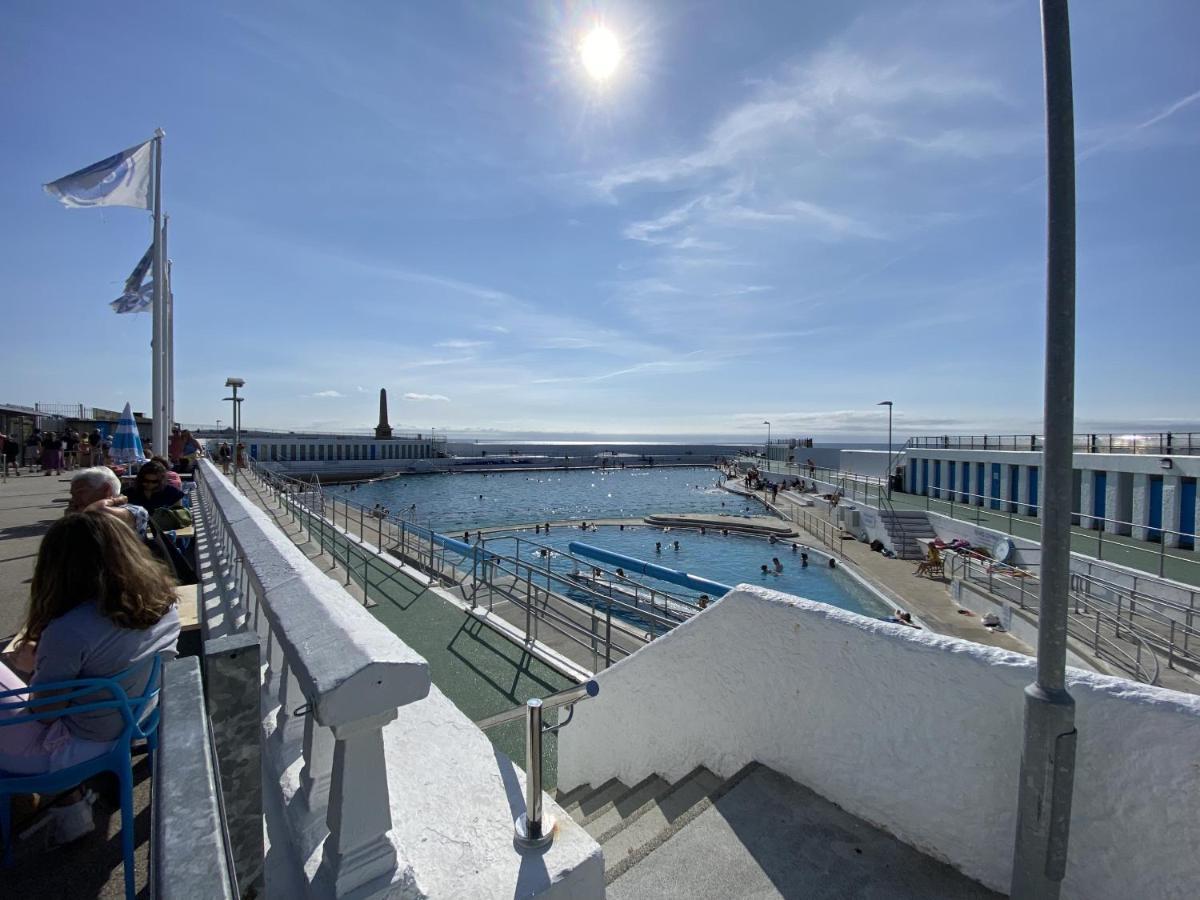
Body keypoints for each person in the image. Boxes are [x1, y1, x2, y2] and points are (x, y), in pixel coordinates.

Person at [0, 512, 180, 840]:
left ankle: (70, 803)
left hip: (79, 748)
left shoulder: (69, 630)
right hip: (134, 721)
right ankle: (71, 808)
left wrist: (29, 668)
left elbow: (44, 712)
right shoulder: (164, 605)